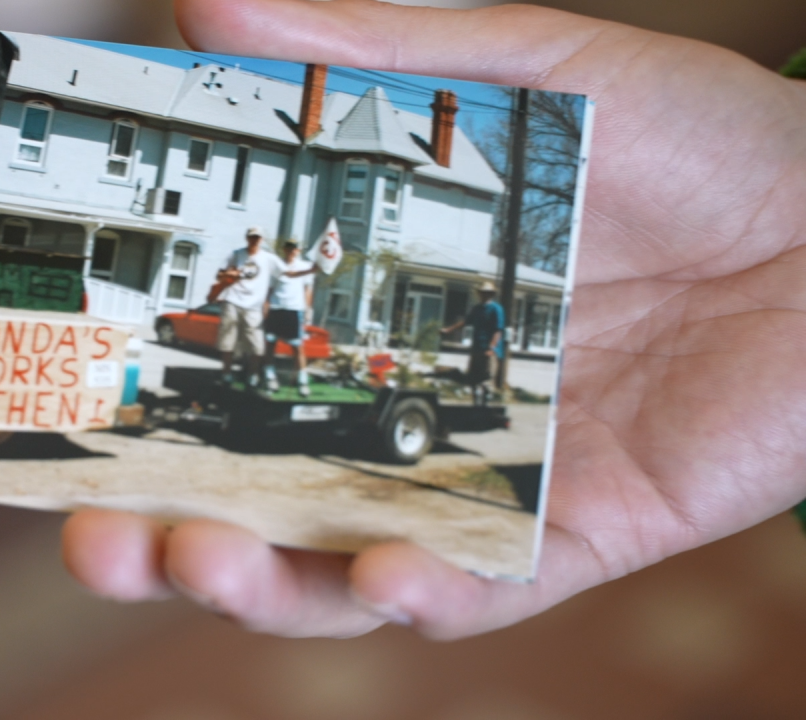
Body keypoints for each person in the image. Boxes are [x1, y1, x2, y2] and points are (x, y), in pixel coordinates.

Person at [61, 0, 806, 641]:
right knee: (259, 355)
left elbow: (317, 270)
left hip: (317, 333)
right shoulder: (268, 264)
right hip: (278, 326)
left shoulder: (371, 275)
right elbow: (275, 273)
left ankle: (294, 388)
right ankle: (257, 391)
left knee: (296, 358)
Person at [215, 227, 284, 387]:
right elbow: (219, 275)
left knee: (257, 345)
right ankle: (226, 373)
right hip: (232, 300)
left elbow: (285, 273)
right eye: (252, 237)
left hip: (254, 306)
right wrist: (228, 275)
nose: (254, 240)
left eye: (257, 238)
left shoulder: (268, 258)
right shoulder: (236, 254)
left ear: (262, 240)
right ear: (247, 238)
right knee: (228, 340)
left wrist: (310, 269)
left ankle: (253, 374)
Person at [262, 240, 315, 396]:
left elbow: (307, 290)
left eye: (295, 248)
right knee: (270, 344)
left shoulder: (305, 266)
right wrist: (266, 308)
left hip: (294, 310)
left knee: (297, 347)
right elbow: (269, 289)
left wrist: (308, 309)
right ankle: (270, 377)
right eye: (289, 248)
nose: (292, 251)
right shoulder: (276, 266)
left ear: (298, 251)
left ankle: (303, 381)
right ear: (284, 249)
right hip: (276, 308)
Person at [440, 282, 505, 404]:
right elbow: (465, 322)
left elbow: (498, 331)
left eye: (486, 293)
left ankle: (485, 408)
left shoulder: (496, 309)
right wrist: (449, 329)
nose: (483, 295)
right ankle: (476, 406)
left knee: (486, 382)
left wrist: (491, 348)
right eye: (482, 293)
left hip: (489, 351)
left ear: (491, 294)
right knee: (473, 380)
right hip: (476, 349)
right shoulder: (477, 309)